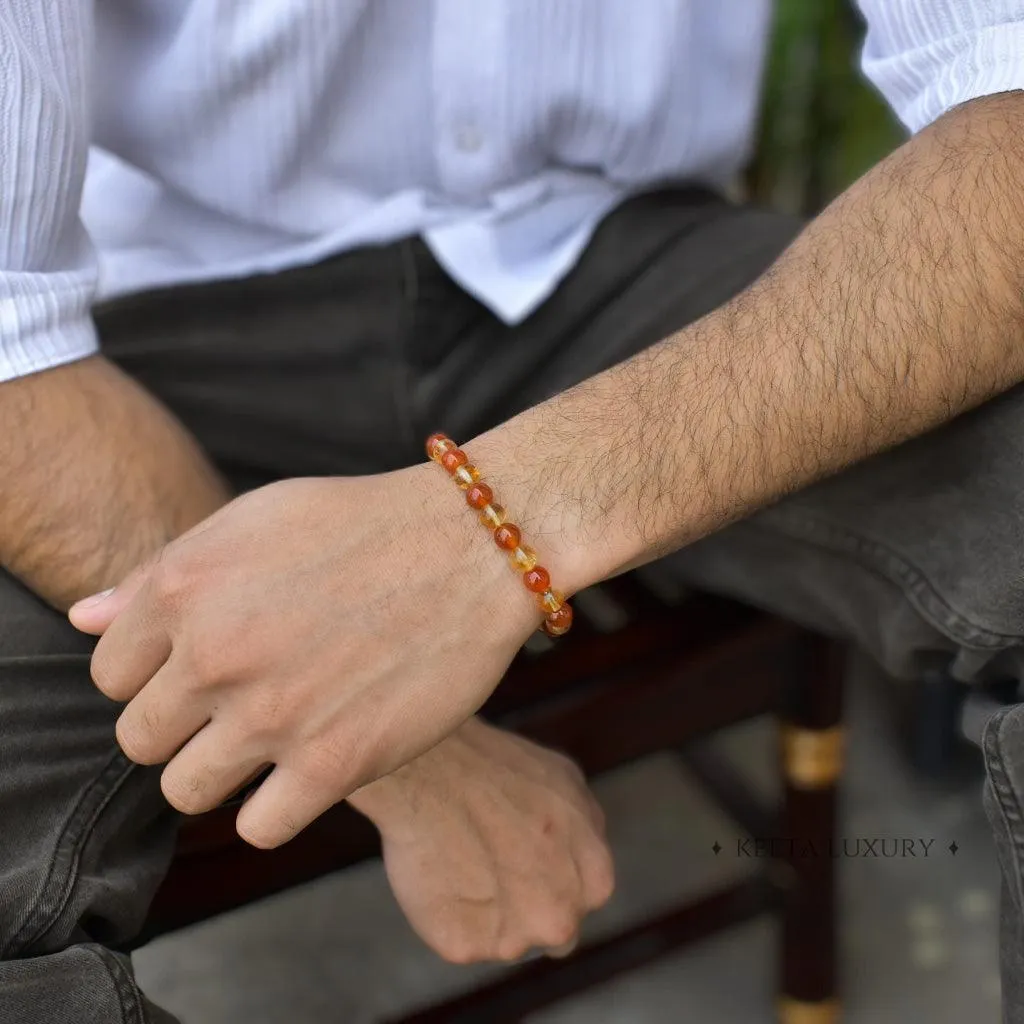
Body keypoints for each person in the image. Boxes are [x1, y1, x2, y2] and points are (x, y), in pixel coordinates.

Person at [3, 0, 1024, 1020]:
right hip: (157, 331)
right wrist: (415, 759)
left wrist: (492, 529)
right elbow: (11, 334)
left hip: (619, 260)